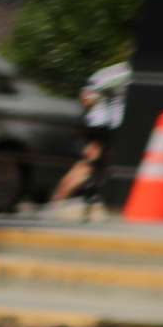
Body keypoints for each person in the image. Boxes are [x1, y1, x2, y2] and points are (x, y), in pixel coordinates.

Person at [48, 58, 131, 215]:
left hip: (100, 125)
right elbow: (89, 96)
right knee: (88, 165)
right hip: (107, 126)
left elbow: (86, 97)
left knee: (92, 166)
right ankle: (57, 203)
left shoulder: (108, 72)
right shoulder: (126, 74)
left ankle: (61, 201)